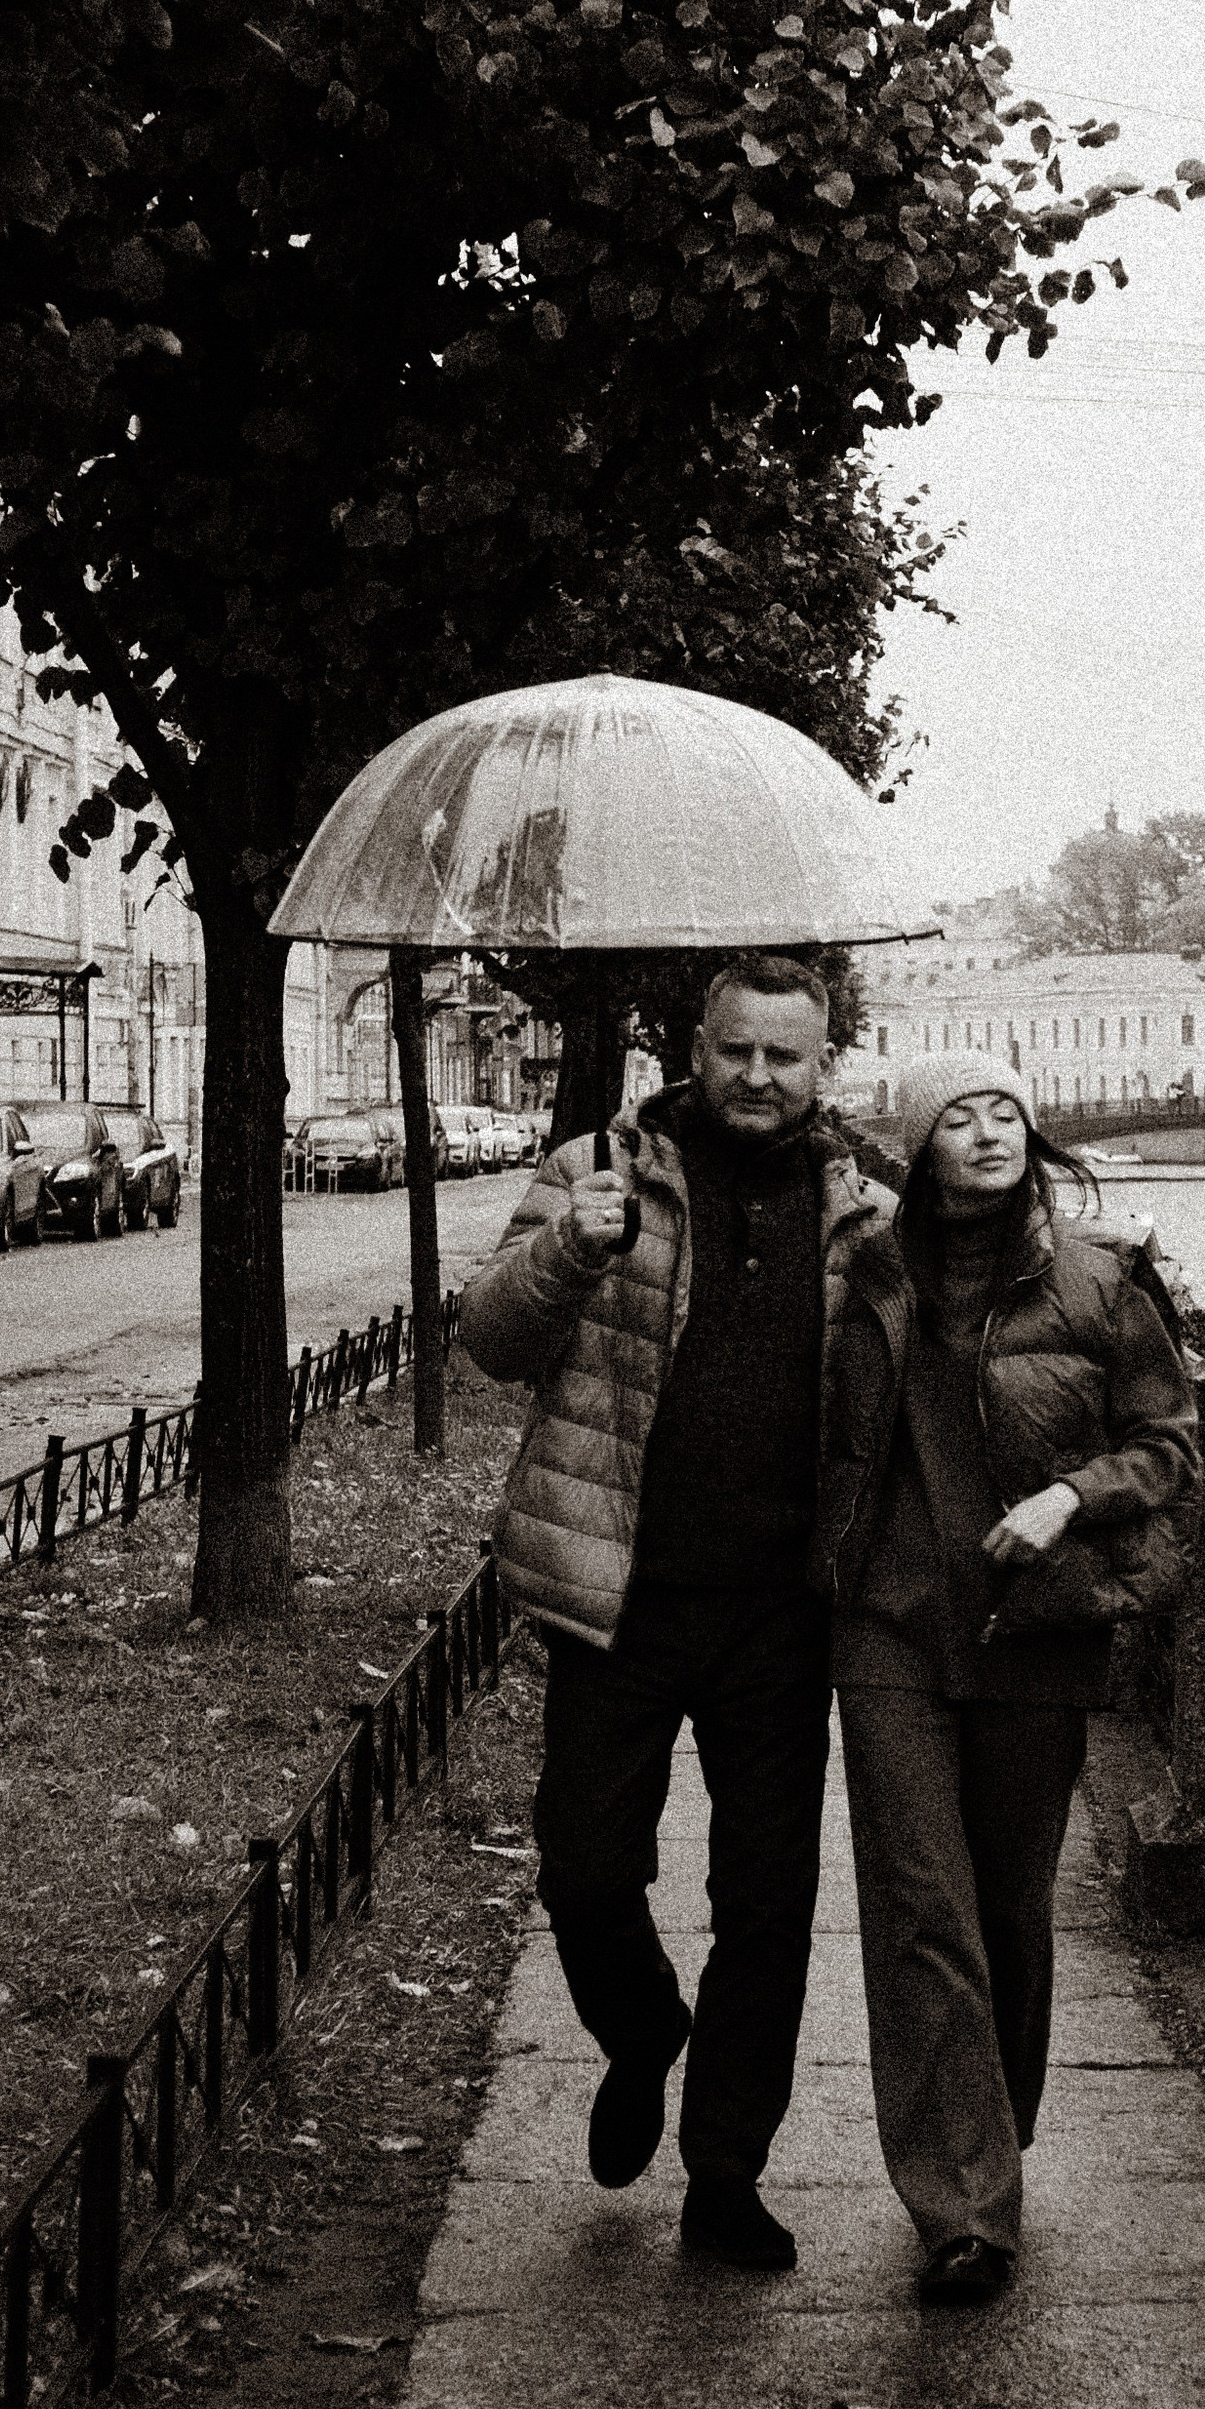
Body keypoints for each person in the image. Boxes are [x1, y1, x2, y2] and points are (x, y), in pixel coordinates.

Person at [457, 954, 895, 2271]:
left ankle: (725, 2174)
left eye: (784, 1055)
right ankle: (643, 2029)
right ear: (693, 1050)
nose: (757, 1076)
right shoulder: (599, 1169)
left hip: (781, 1614)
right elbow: (488, 1339)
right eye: (735, 1049)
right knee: (587, 1867)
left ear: (823, 1065)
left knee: (767, 1903)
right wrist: (568, 1252)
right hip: (619, 1594)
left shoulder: (865, 1207)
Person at [815, 1055, 1199, 2306]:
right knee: (923, 1910)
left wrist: (1069, 1496)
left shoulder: (1099, 1278)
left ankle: (991, 2126)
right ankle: (965, 2208)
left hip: (1037, 1626)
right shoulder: (862, 1271)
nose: (987, 1134)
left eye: (1006, 1114)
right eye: (958, 1118)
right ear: (917, 1144)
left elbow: (1168, 1445)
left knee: (1010, 1915)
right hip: (887, 1630)